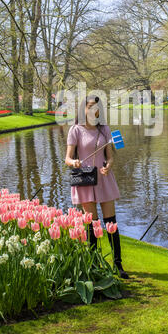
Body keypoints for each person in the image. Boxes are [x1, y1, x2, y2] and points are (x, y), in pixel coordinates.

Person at [65, 95, 129, 279]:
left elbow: (110, 156)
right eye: (90, 106)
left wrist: (109, 166)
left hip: (103, 179)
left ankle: (118, 265)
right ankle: (92, 263)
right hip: (85, 179)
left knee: (111, 223)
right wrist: (74, 162)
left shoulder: (105, 130)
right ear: (83, 109)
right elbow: (67, 158)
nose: (94, 110)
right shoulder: (75, 130)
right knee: (92, 225)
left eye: (97, 107)